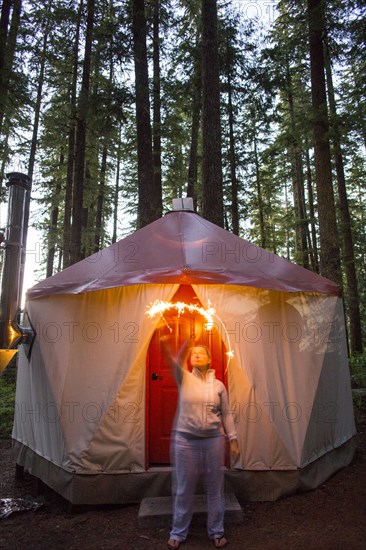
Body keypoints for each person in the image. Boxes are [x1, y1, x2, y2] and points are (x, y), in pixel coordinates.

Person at [161, 333, 240, 550]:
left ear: (209, 359)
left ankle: (216, 532)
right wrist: (185, 343)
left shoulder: (219, 386)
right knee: (184, 488)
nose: (196, 356)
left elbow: (227, 414)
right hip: (185, 441)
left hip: (213, 441)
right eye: (193, 354)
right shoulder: (184, 378)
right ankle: (177, 532)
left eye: (201, 353)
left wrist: (232, 440)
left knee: (214, 488)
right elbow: (172, 361)